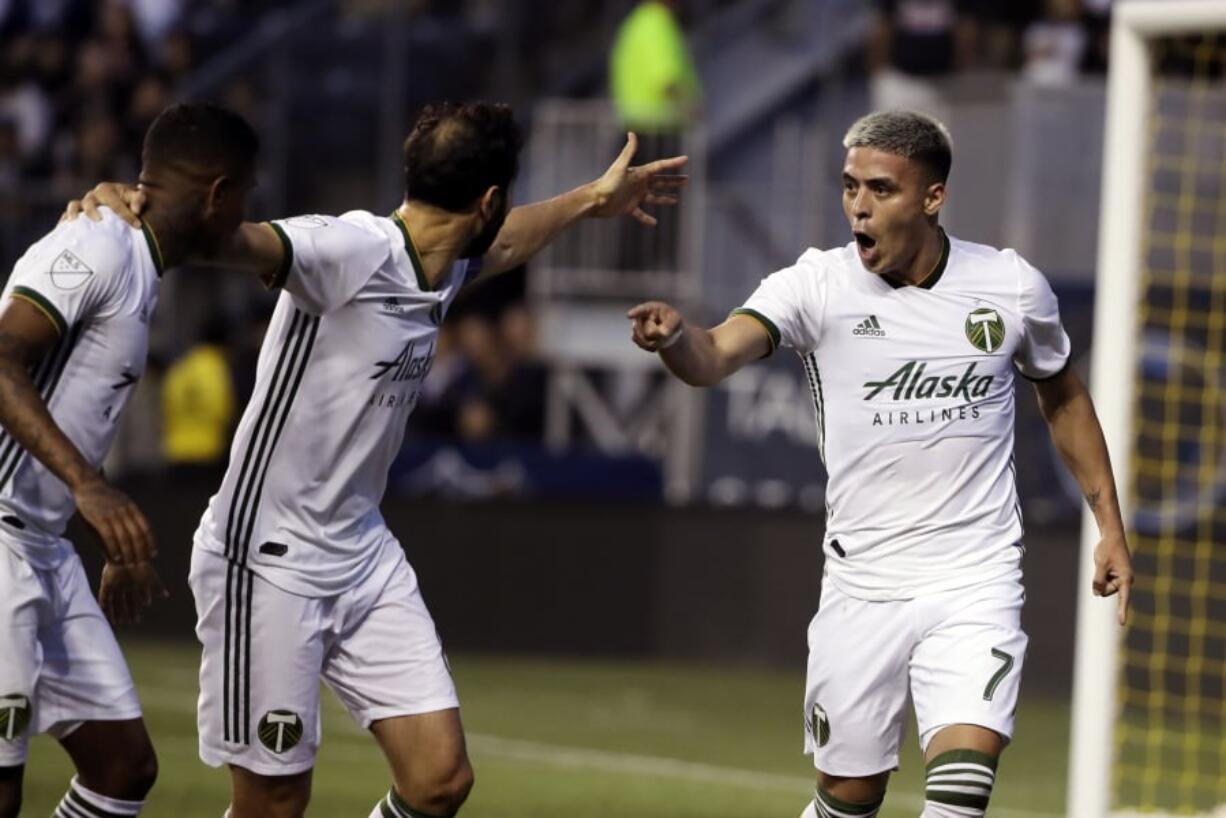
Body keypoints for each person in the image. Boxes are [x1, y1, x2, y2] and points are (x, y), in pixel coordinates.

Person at [74, 100, 686, 818]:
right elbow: (232, 243)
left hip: (360, 552)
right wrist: (131, 210)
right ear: (488, 199)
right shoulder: (349, 251)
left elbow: (510, 244)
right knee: (273, 803)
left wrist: (589, 199)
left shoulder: (446, 262)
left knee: (438, 781)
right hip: (268, 558)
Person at [626, 110, 1132, 818]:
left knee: (960, 795)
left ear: (932, 198)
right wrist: (678, 338)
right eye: (849, 186)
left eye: (880, 190)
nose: (858, 206)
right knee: (849, 801)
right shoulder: (815, 288)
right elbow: (713, 357)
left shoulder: (1010, 286)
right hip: (863, 585)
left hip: (975, 577)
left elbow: (1065, 396)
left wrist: (1109, 525)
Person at [0, 102, 259, 818]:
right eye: (244, 197)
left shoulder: (136, 265)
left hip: (42, 546)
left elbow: (65, 407)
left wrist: (99, 520)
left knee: (123, 768)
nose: (244, 217)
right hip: (0, 541)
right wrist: (90, 487)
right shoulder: (101, 243)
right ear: (218, 194)